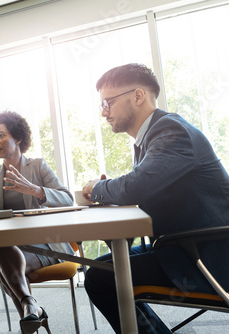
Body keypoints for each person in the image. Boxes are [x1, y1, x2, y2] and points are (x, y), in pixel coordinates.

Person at [82, 63, 229, 333]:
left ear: (137, 96)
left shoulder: (171, 131)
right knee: (101, 265)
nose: (104, 112)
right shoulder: (152, 138)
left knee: (100, 278)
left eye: (108, 102)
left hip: (206, 254)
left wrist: (95, 189)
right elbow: (141, 186)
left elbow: (135, 187)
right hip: (180, 244)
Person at [0, 111, 74, 334]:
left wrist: (35, 190)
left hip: (44, 245)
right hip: (6, 247)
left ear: (17, 137)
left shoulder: (37, 166)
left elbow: (67, 198)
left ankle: (31, 311)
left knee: (6, 273)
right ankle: (30, 305)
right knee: (1, 243)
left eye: (1, 136)